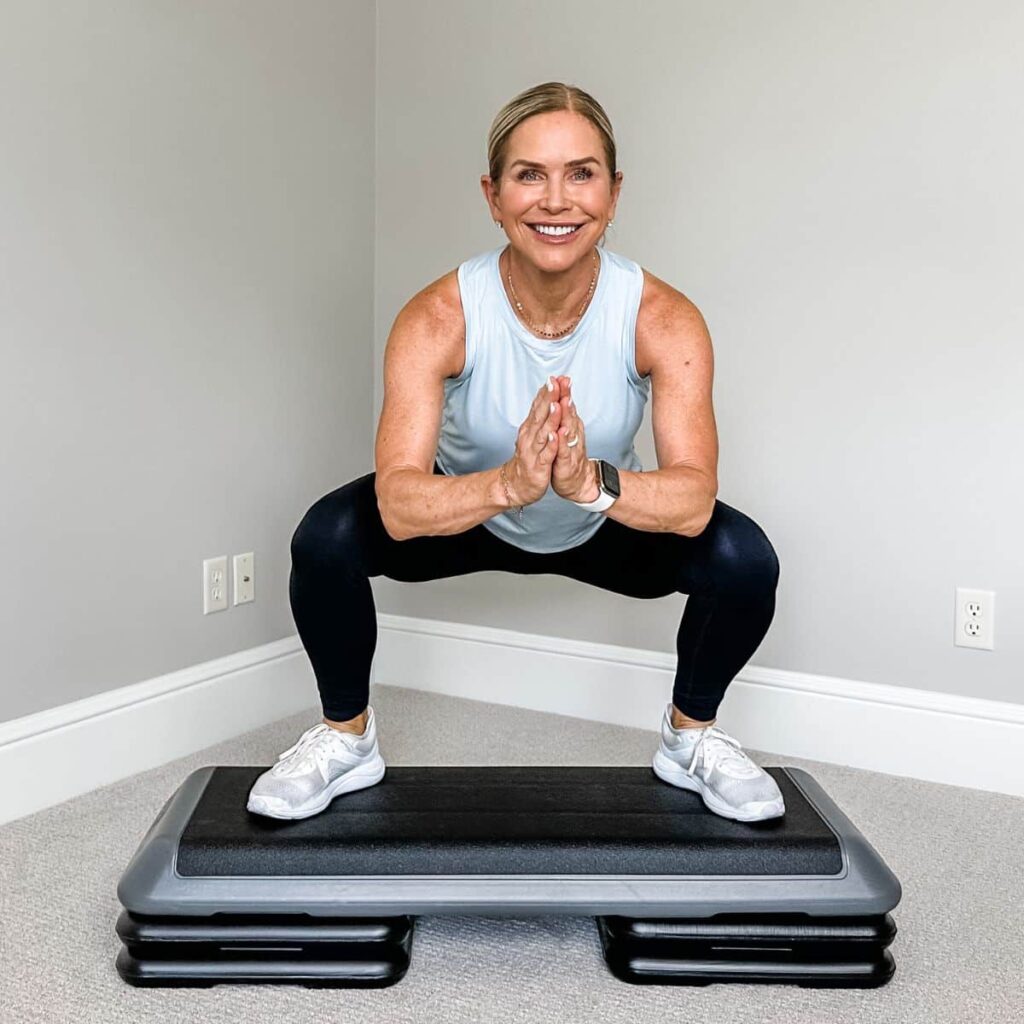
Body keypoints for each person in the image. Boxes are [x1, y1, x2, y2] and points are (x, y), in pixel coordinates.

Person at [247, 81, 783, 825]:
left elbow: (692, 501)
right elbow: (400, 505)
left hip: (598, 518)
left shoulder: (662, 317)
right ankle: (347, 740)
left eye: (582, 173)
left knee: (745, 559)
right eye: (530, 174)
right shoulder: (439, 316)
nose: (556, 200)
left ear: (614, 191)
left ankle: (690, 740)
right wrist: (507, 484)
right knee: (325, 536)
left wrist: (587, 480)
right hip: (474, 507)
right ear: (492, 195)